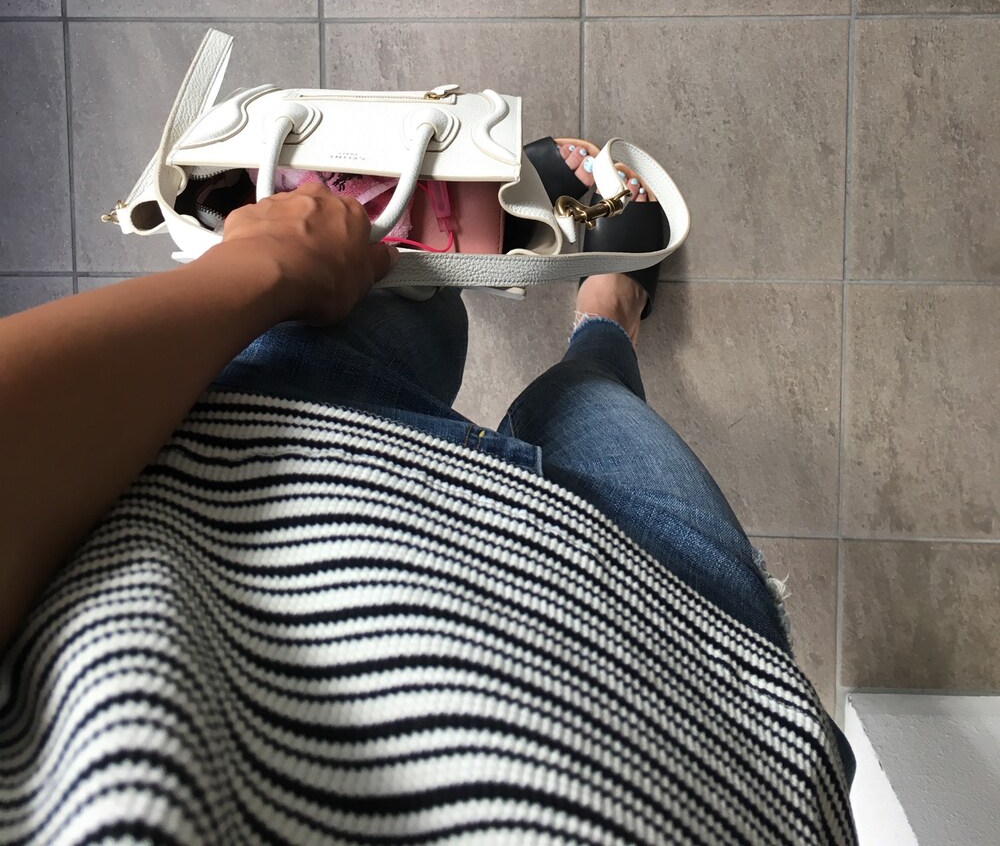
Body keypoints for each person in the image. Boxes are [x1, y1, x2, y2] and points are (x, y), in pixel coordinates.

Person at [0, 144, 856, 844]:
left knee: (404, 300)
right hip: (654, 649)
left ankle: (469, 246)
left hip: (257, 465)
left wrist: (266, 272)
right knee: (589, 396)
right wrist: (261, 264)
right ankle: (609, 312)